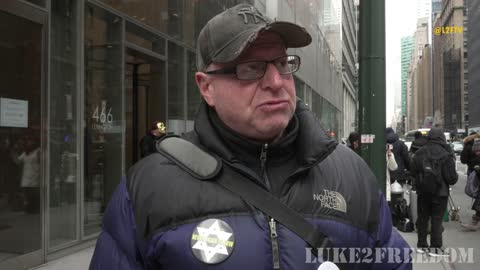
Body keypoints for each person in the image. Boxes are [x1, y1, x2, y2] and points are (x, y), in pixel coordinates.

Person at [89, 4, 411, 269]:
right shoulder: (146, 189)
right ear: (206, 87)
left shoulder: (351, 176)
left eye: (283, 63)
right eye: (251, 67)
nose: (276, 80)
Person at [410, 128, 458, 257]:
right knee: (437, 220)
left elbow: (412, 171)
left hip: (423, 192)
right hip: (440, 193)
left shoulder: (420, 152)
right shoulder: (446, 154)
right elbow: (451, 178)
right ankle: (435, 248)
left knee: (423, 217)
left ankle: (421, 245)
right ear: (442, 138)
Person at [460, 132, 480, 230]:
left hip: (473, 171)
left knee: (476, 193)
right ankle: (476, 219)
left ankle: (476, 220)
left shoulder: (468, 145)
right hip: (476, 171)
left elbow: (463, 160)